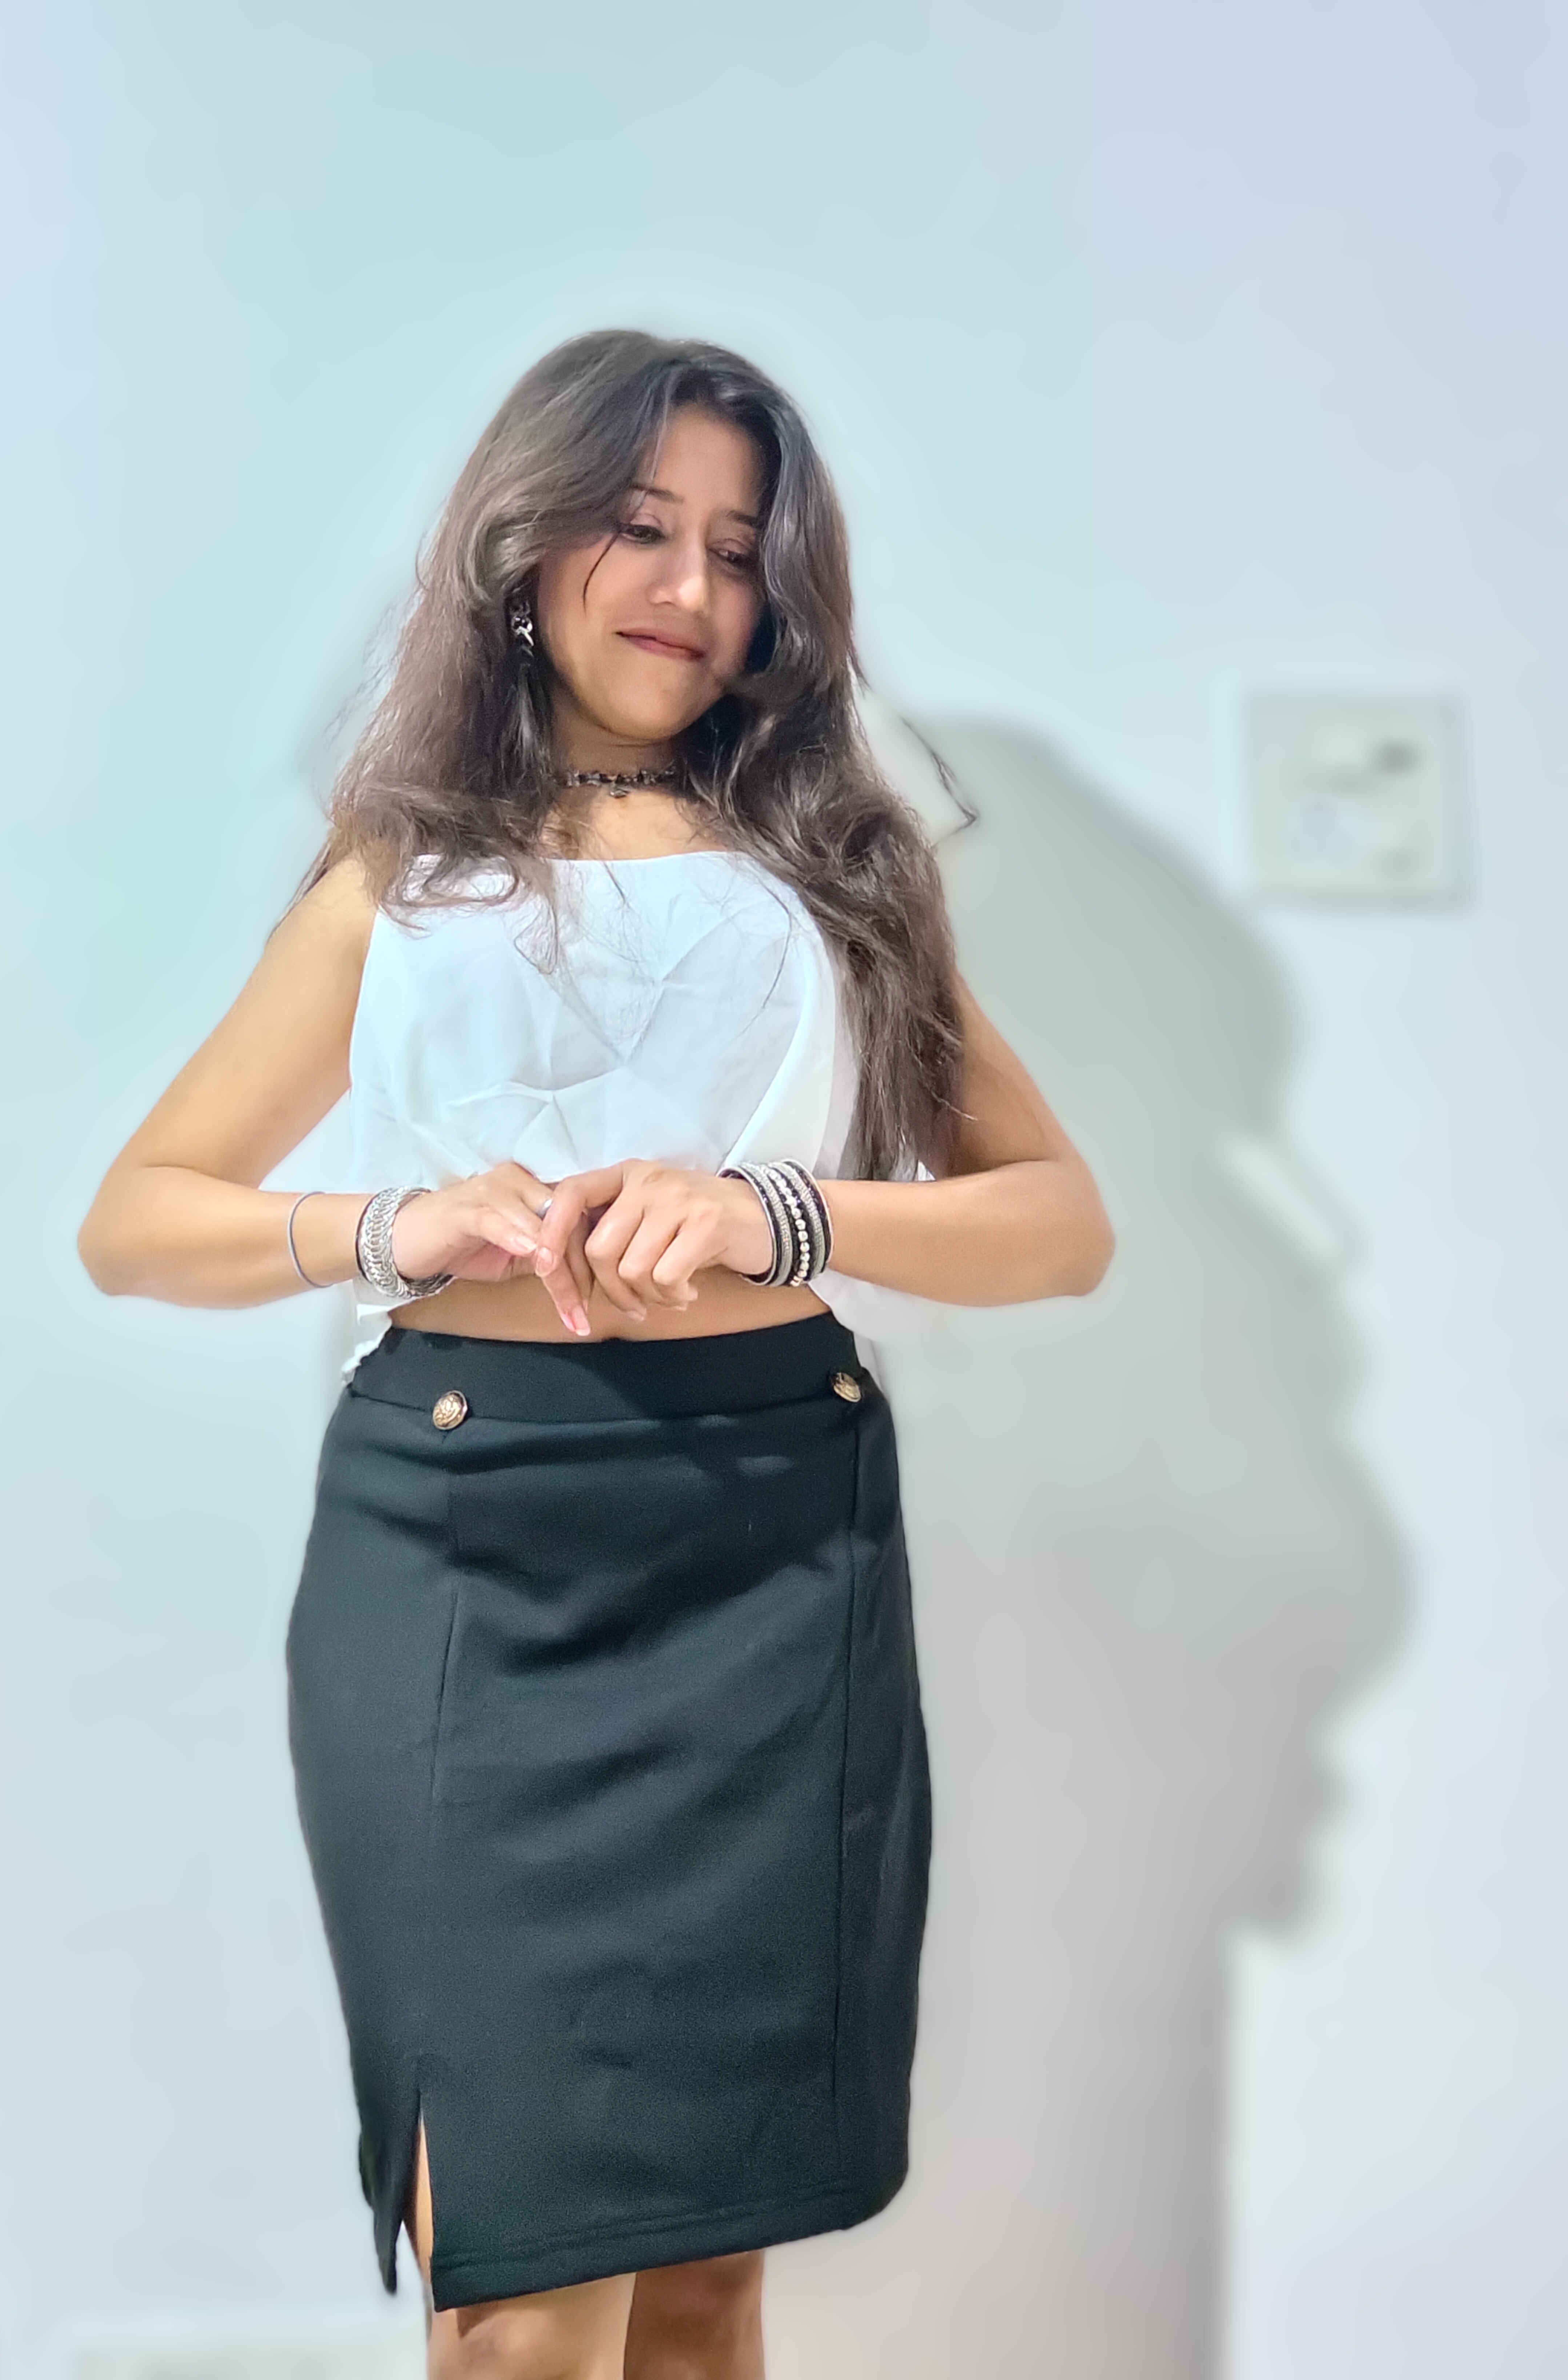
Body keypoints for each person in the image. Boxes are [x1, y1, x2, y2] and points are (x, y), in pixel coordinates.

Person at [77, 330, 1113, 2380]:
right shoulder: (404, 875)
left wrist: (775, 1210)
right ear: (527, 542)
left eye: (737, 547)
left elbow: (1056, 1224)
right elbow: (140, 1219)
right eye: (642, 526)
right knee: (517, 2305)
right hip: (461, 1545)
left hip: (769, 1542)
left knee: (710, 2275)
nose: (689, 587)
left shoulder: (842, 874)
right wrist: (394, 1224)